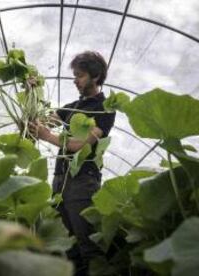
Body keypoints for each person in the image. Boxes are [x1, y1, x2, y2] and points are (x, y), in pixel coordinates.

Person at [29, 51, 116, 276]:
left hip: (83, 181)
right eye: (74, 75)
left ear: (96, 76)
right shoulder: (72, 106)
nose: (75, 80)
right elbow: (39, 121)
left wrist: (47, 136)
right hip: (60, 180)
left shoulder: (105, 107)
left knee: (88, 246)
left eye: (80, 75)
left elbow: (83, 144)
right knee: (70, 250)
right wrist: (31, 91)